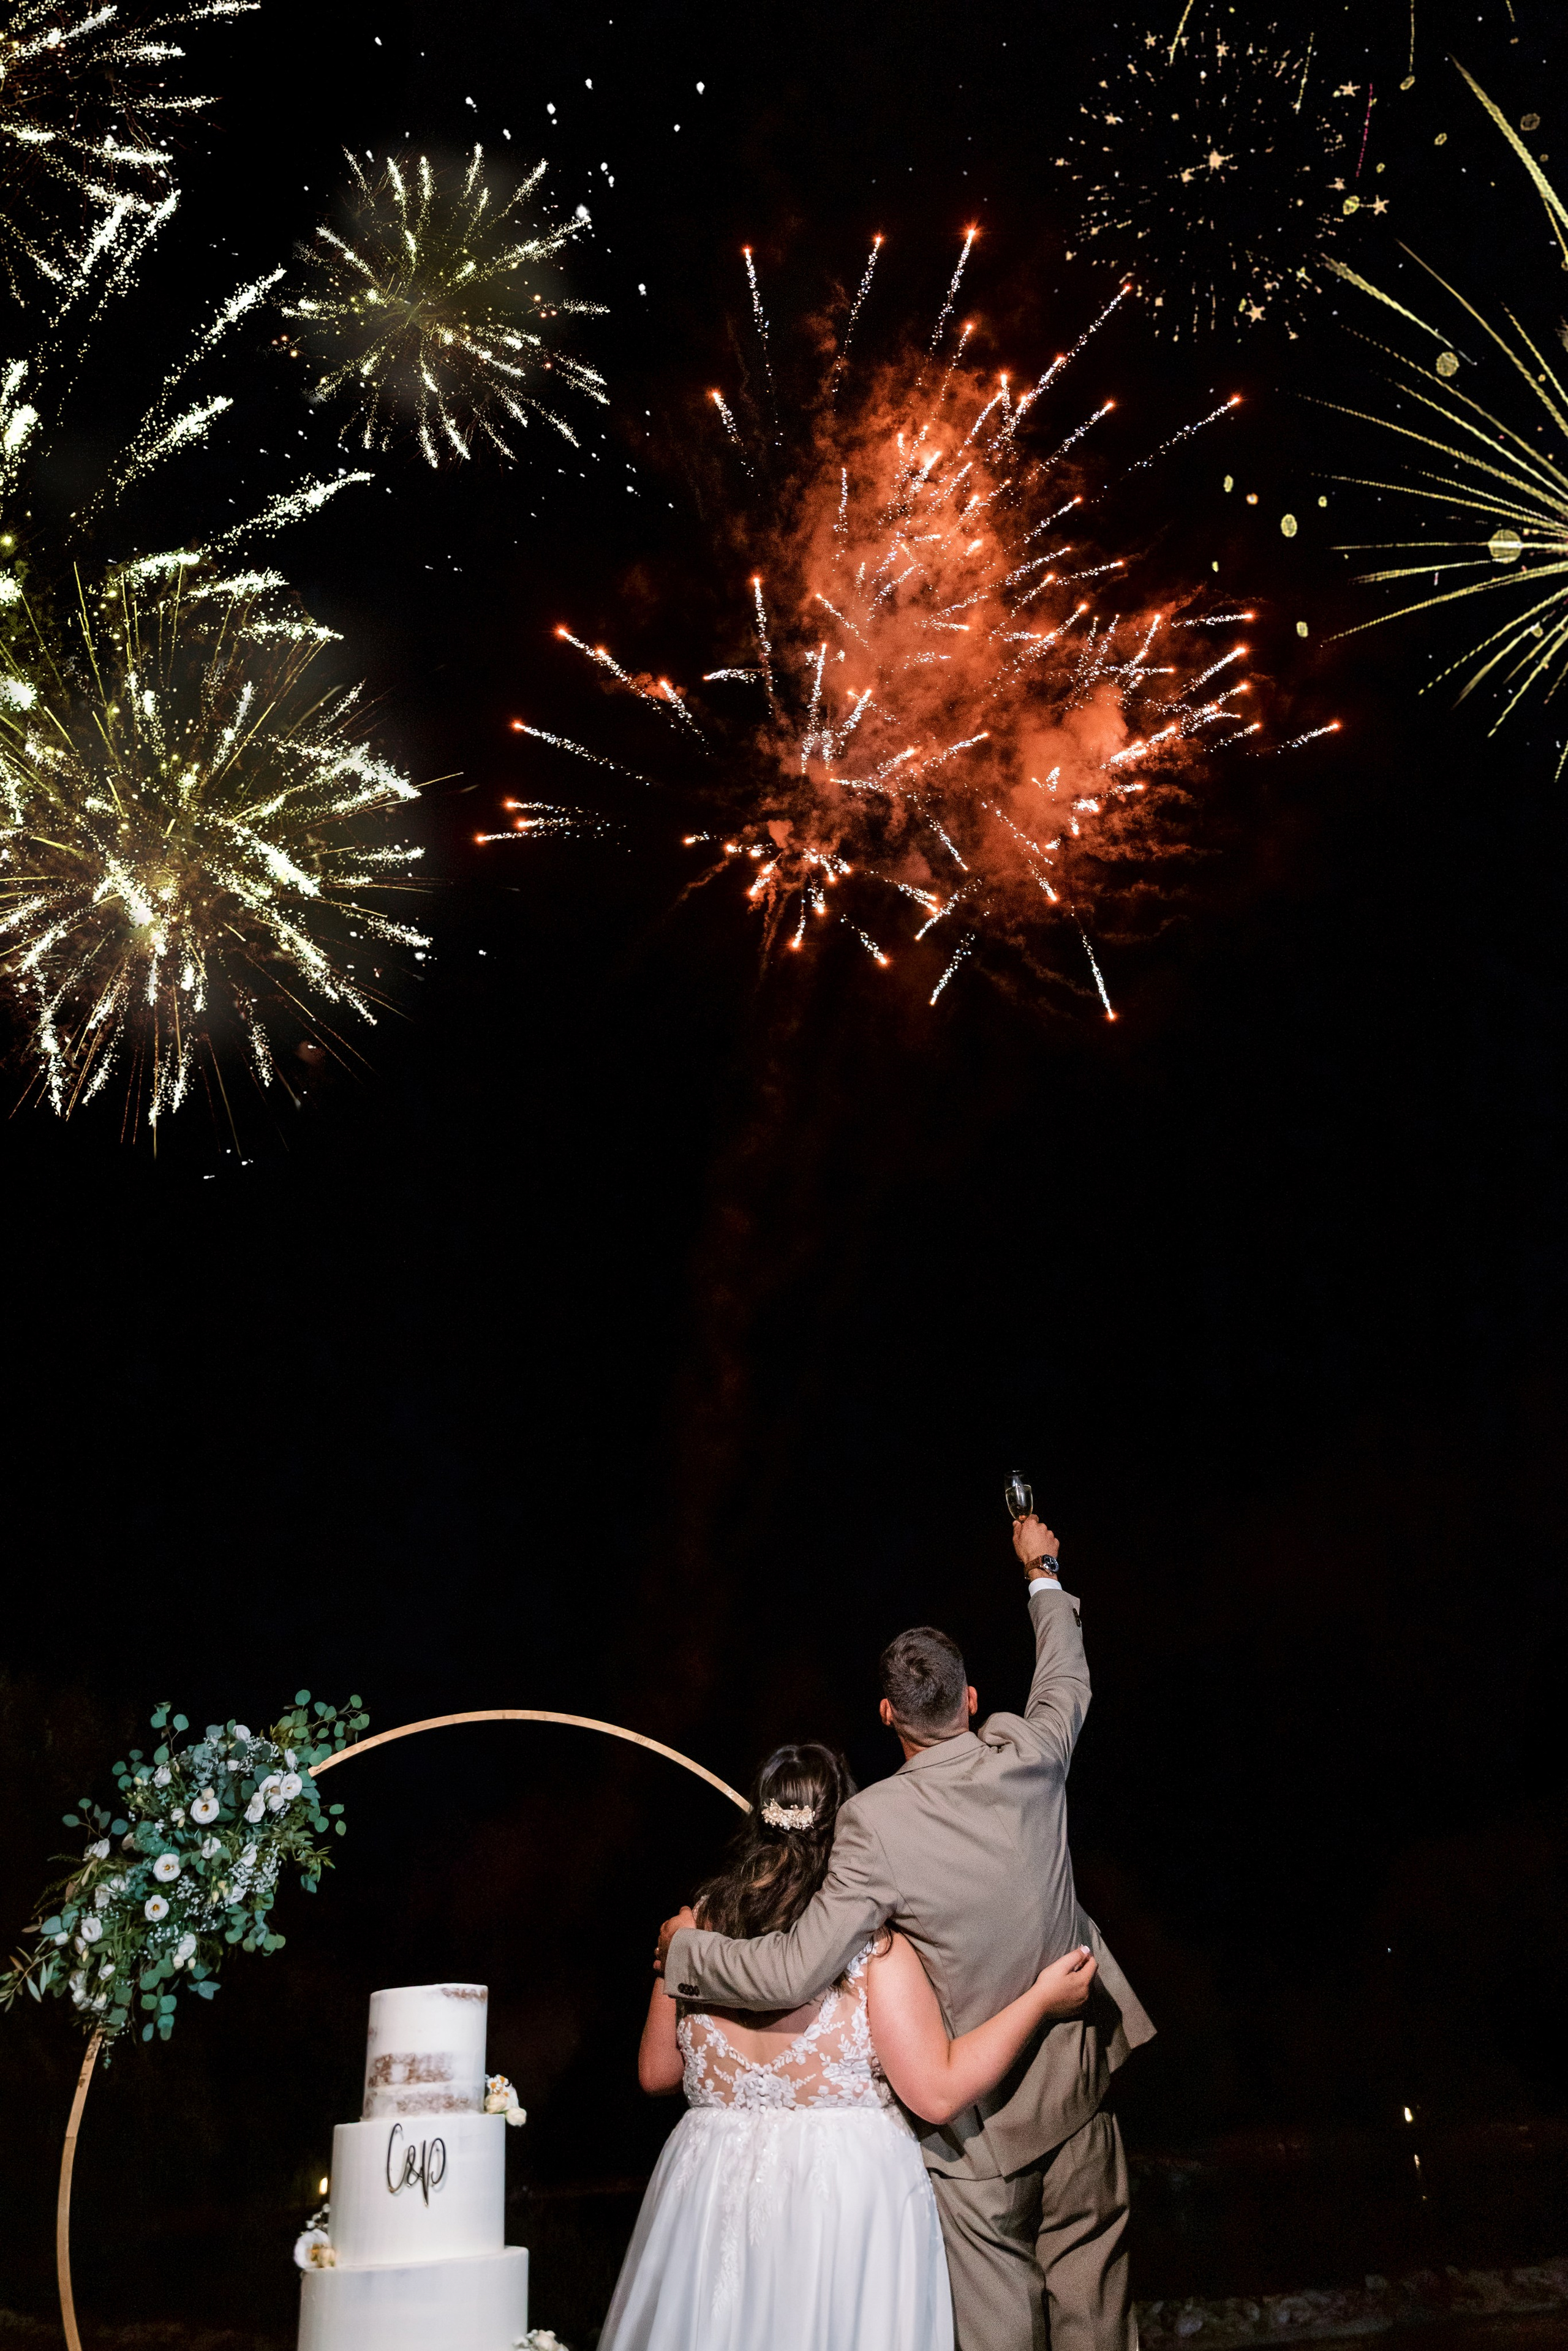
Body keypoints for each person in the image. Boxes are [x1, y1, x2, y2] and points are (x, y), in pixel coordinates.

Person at [656, 1513, 1154, 2351]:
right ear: (969, 1697)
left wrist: (687, 1950)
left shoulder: (871, 1823)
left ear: (888, 1714)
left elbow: (792, 1970)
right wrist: (1043, 1569)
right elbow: (1066, 1671)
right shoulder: (1032, 1751)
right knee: (1102, 2332)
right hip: (1082, 2099)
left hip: (981, 2137)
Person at [600, 1738, 1100, 2351]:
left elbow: (656, 2071)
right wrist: (1041, 2001)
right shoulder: (871, 1945)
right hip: (842, 2197)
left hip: (711, 2185)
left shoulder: (694, 1929)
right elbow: (937, 2093)